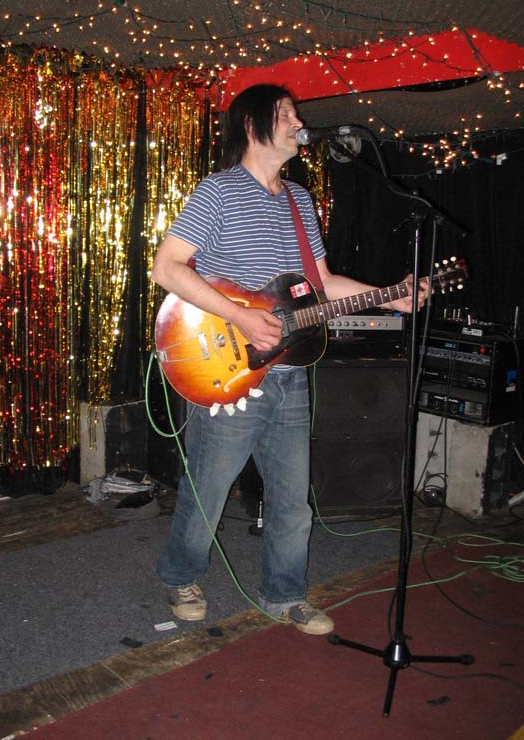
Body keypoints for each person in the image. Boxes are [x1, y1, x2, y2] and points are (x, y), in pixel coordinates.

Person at [151, 83, 427, 634]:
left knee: (292, 497)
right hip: (228, 365)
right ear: (253, 126)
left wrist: (389, 293)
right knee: (208, 486)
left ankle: (285, 594)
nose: (299, 121)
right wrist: (240, 315)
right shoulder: (219, 192)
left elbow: (320, 283)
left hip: (290, 372)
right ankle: (179, 574)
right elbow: (168, 267)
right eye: (287, 114)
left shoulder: (300, 200)